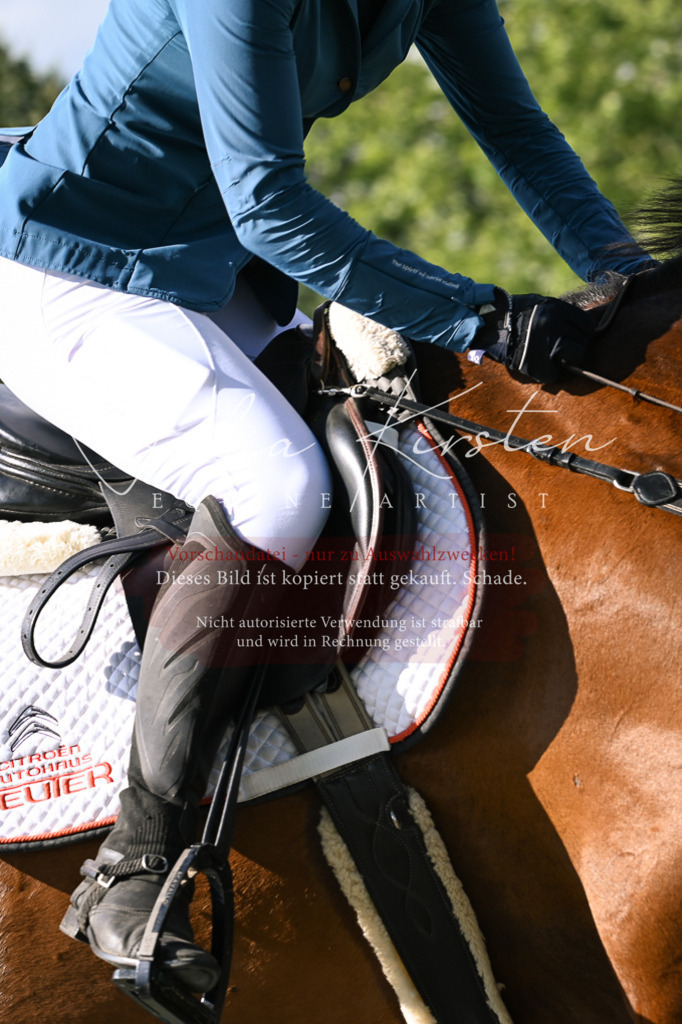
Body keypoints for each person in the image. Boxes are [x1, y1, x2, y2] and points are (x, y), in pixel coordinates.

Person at [0, 0, 652, 994]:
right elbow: (268, 201)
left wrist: (631, 289)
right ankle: (132, 868)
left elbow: (515, 129)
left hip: (203, 267)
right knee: (275, 486)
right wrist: (480, 315)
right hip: (68, 265)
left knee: (383, 430)